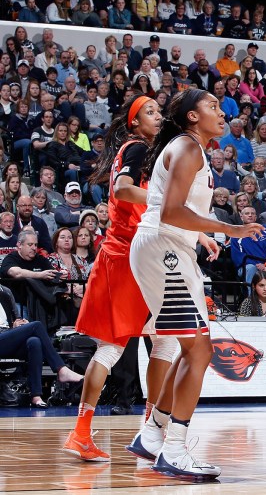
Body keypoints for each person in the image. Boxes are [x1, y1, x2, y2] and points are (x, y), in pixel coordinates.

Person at [127, 89, 263, 480]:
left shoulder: (190, 148)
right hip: (164, 248)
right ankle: (174, 450)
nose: (222, 113)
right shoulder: (187, 149)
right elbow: (170, 211)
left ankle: (153, 435)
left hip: (167, 248)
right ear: (191, 116)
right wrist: (226, 228)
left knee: (191, 349)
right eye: (213, 107)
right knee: (200, 350)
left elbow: (172, 209)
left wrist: (203, 235)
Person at [62, 95, 180, 463]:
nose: (158, 116)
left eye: (160, 111)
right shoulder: (135, 148)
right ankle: (102, 433)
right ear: (133, 123)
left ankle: (135, 432)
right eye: (150, 112)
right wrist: (168, 198)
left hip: (129, 255)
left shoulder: (139, 150)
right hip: (130, 257)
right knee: (130, 347)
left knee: (161, 343)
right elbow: (122, 190)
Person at [0, 287, 83, 408]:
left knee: (34, 342)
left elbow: (15, 318)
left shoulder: (5, 291)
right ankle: (61, 369)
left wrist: (18, 324)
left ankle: (36, 396)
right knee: (36, 326)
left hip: (7, 335)